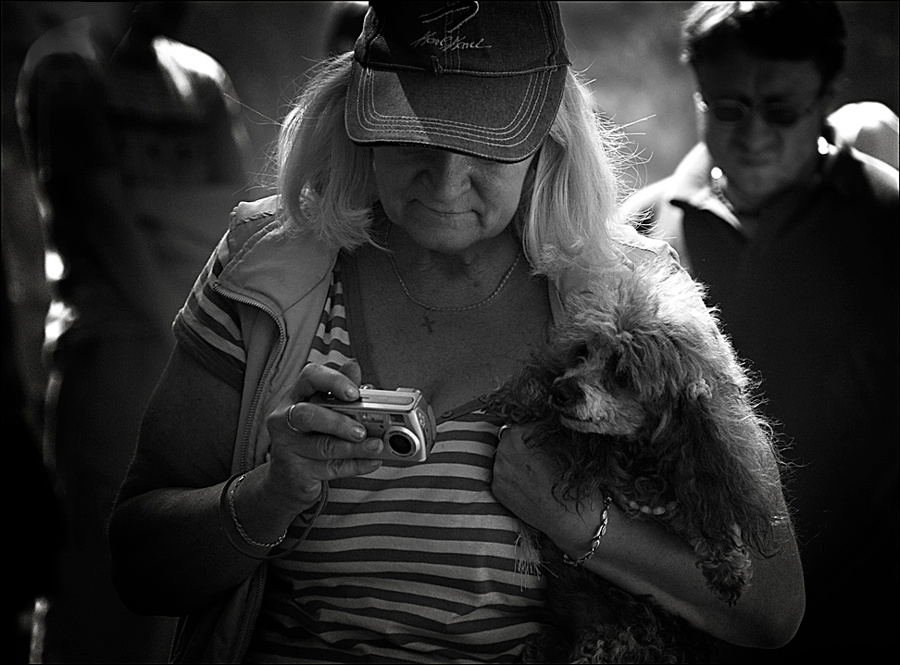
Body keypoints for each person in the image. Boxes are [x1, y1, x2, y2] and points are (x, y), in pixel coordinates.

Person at [109, 2, 804, 662]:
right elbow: (136, 565)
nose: (444, 182)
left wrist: (582, 526)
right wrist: (271, 494)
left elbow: (770, 608)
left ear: (550, 133)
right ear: (357, 118)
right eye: (412, 128)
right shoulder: (264, 268)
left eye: (488, 141)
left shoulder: (640, 299)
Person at [622, 2, 898, 662]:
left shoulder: (889, 224)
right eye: (727, 108)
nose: (752, 135)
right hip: (685, 622)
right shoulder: (640, 232)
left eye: (781, 110)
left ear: (827, 97)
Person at [16, 2, 252, 661]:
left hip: (185, 352)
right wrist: (191, 317)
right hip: (112, 355)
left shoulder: (203, 78)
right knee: (96, 576)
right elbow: (103, 222)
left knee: (172, 575)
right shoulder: (67, 68)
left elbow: (236, 217)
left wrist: (152, 215)